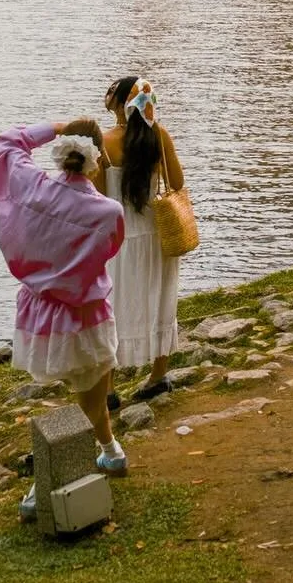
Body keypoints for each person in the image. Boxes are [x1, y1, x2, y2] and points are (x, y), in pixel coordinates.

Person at [0, 116, 128, 524]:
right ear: (95, 162)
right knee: (91, 396)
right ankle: (45, 482)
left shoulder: (33, 187)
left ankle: (112, 453)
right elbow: (110, 249)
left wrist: (58, 125)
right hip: (84, 317)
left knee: (94, 393)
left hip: (38, 316)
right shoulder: (106, 211)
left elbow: (6, 144)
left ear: (60, 154)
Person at [98, 75, 185, 402]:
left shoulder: (103, 143)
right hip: (159, 237)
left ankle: (108, 388)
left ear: (121, 103)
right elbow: (176, 182)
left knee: (111, 309)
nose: (105, 96)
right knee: (160, 301)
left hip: (120, 241)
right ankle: (158, 376)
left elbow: (96, 196)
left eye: (110, 92)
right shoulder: (159, 136)